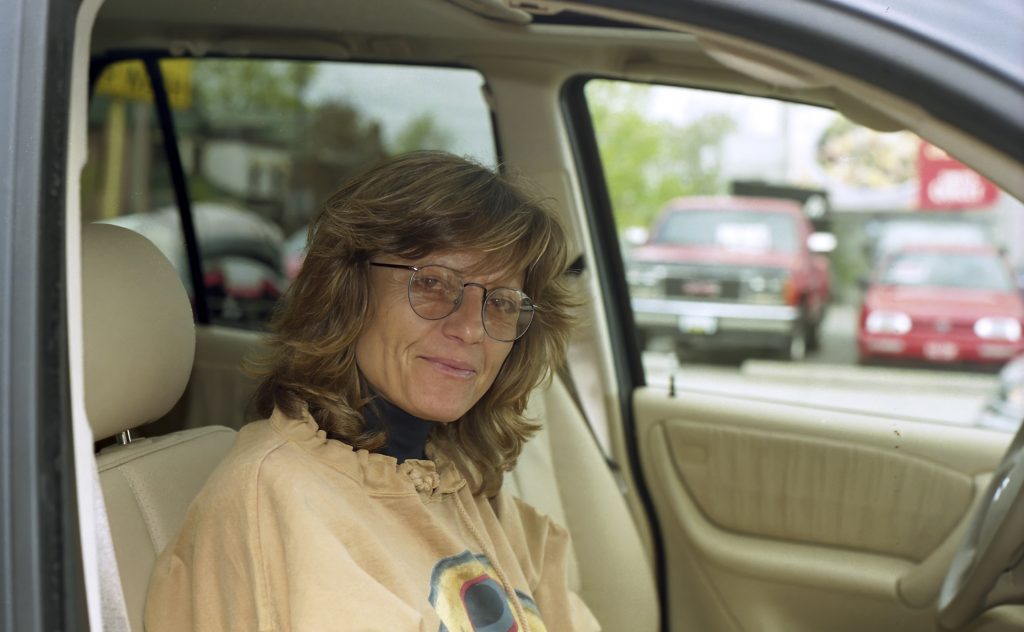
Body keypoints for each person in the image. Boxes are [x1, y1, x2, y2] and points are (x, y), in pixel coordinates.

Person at [144, 151, 600, 631]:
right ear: (348, 290)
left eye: (502, 302)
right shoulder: (280, 502)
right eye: (433, 283)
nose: (471, 328)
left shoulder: (465, 483)